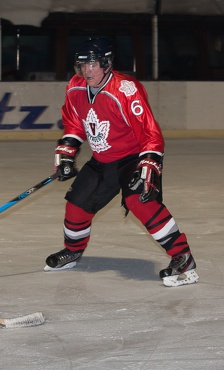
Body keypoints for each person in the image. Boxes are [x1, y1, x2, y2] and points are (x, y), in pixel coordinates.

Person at [45, 37, 198, 287]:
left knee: (141, 201)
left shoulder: (125, 89)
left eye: (93, 64)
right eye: (83, 65)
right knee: (76, 205)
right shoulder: (74, 86)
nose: (87, 71)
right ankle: (73, 251)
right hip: (102, 160)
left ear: (106, 64)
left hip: (132, 159)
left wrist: (149, 164)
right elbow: (74, 122)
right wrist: (67, 152)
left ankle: (183, 257)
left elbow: (149, 132)